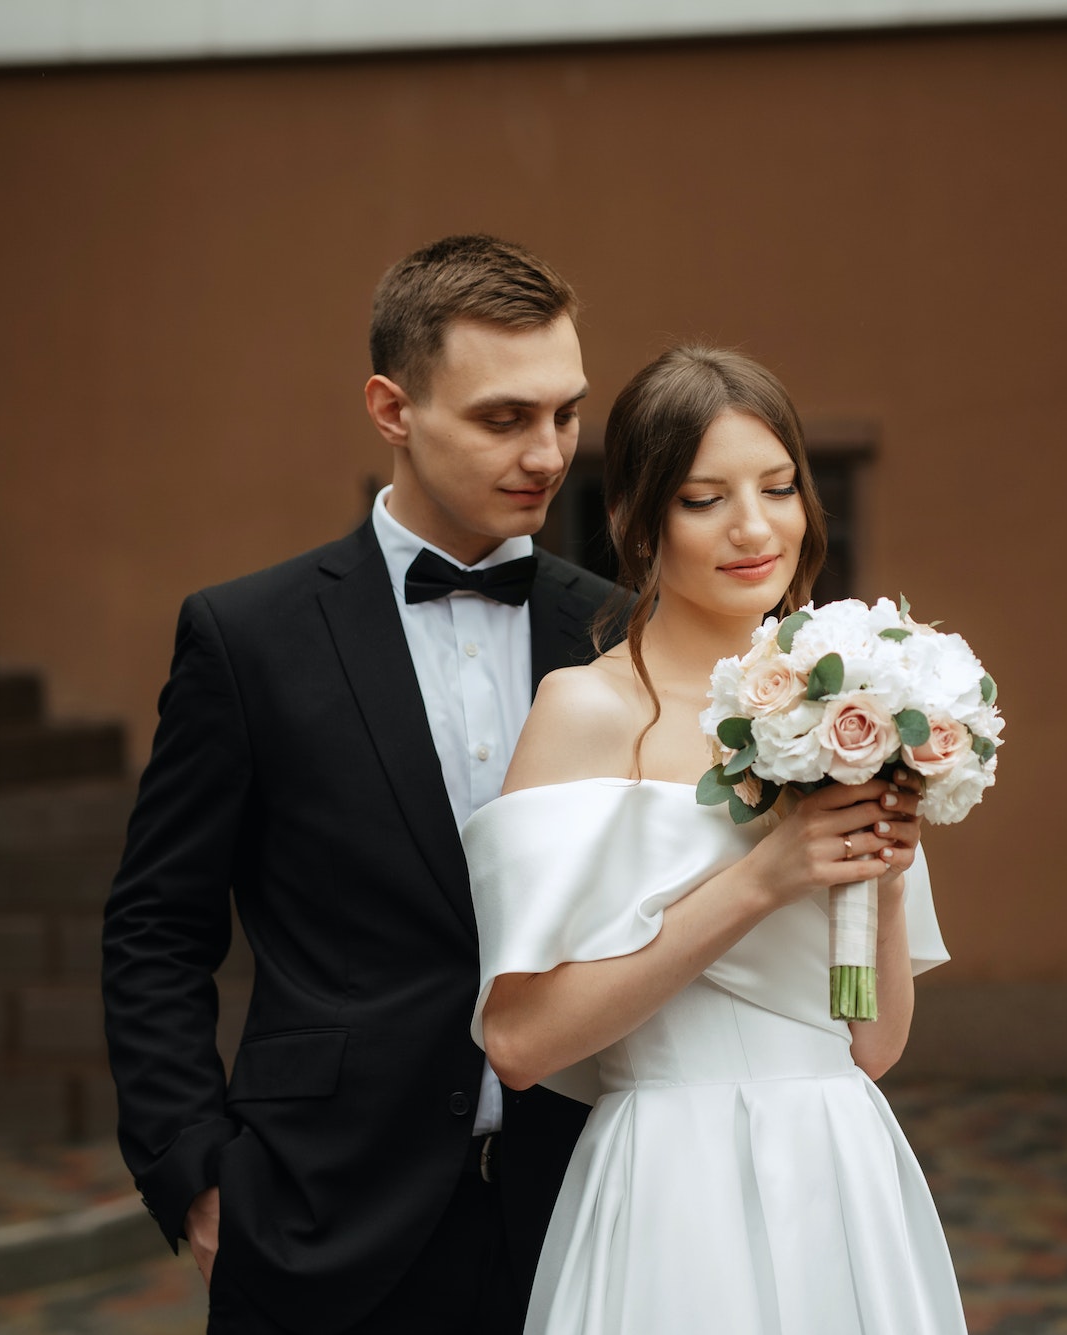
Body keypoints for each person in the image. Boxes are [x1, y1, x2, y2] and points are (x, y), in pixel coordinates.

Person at [101, 235, 617, 1335]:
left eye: (565, 414)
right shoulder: (247, 639)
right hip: (318, 1220)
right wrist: (194, 1176)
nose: (547, 452)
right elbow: (155, 925)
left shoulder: (621, 632)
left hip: (588, 1207)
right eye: (501, 418)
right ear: (391, 409)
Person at [465, 346, 968, 1333]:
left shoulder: (850, 706)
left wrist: (888, 876)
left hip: (840, 1167)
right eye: (703, 499)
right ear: (635, 522)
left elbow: (870, 1045)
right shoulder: (585, 710)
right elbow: (518, 1044)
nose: (754, 527)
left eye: (778, 487)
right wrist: (762, 879)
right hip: (667, 1179)